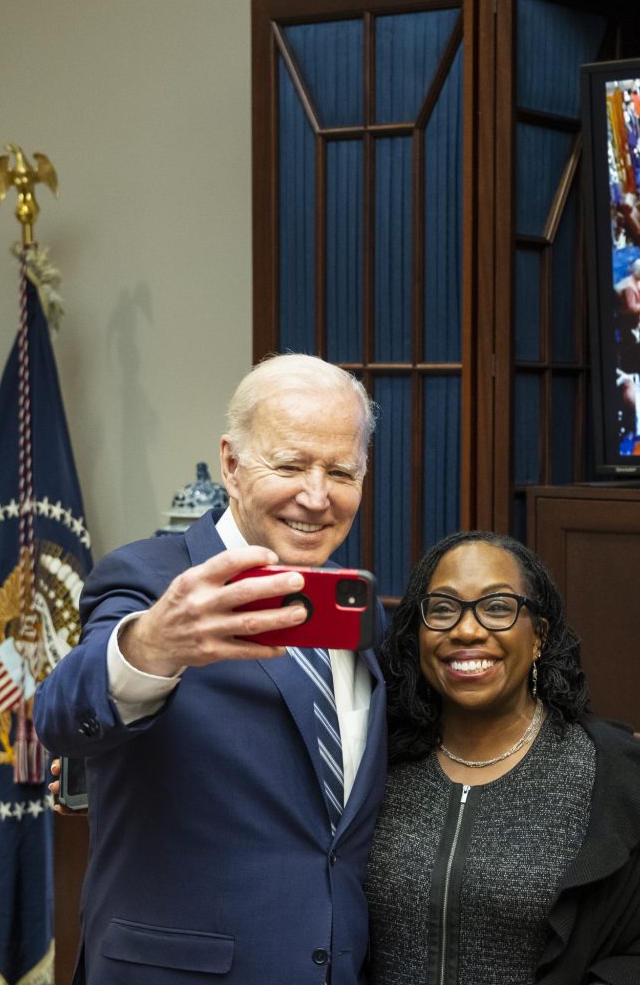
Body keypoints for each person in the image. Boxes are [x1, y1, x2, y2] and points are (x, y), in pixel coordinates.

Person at [35, 354, 388, 984]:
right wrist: (151, 645)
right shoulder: (147, 580)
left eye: (341, 471)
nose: (317, 495)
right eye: (289, 465)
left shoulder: (354, 614)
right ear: (231, 463)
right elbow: (62, 712)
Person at [366, 532, 640, 985]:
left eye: (497, 607)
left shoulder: (609, 776)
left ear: (539, 637)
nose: (467, 629)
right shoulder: (373, 760)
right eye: (443, 609)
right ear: (417, 634)